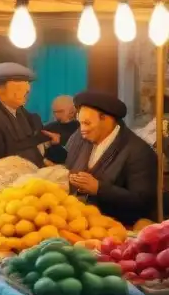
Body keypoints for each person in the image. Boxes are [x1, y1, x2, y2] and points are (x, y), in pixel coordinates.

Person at [65, 91, 158, 226]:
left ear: (106, 119)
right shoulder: (78, 138)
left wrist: (99, 188)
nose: (82, 129)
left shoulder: (139, 152)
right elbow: (67, 166)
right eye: (80, 123)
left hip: (117, 228)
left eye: (87, 123)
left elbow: (143, 203)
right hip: (76, 223)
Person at [0, 62, 57, 166]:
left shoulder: (21, 112)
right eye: (19, 89)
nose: (26, 95)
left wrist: (44, 151)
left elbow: (28, 143)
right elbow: (7, 151)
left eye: (27, 91)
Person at [44, 95, 80, 165]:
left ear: (72, 111)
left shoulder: (81, 128)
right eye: (55, 112)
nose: (57, 115)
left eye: (60, 111)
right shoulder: (48, 128)